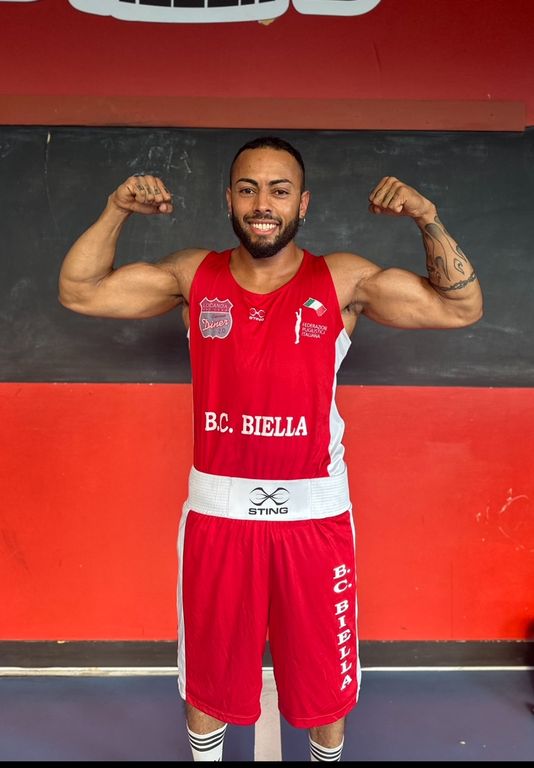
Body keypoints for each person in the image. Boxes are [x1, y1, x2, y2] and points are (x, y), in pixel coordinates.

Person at [58, 136, 483, 762]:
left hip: (315, 516)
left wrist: (427, 217)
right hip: (219, 512)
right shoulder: (193, 276)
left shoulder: (342, 279)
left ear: (302, 203)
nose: (263, 204)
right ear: (228, 198)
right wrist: (116, 208)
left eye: (279, 191)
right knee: (210, 674)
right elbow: (80, 290)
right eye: (248, 189)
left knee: (324, 684)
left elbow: (461, 307)